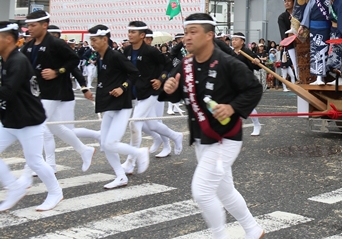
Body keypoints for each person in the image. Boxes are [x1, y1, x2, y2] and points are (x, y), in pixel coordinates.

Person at [161, 13, 265, 239]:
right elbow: (178, 93)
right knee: (225, 191)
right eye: (186, 33)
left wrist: (233, 107)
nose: (187, 38)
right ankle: (253, 230)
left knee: (202, 191)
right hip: (201, 136)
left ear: (209, 35)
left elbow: (254, 89)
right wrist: (170, 89)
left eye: (193, 32)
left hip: (224, 138)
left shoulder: (228, 63)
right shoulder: (186, 64)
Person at [20, 10, 95, 174]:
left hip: (53, 91)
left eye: (33, 25)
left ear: (44, 25)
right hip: (38, 91)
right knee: (56, 128)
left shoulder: (55, 43)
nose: (29, 29)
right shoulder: (29, 46)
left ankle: (31, 166)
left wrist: (57, 71)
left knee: (37, 126)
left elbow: (74, 60)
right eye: (28, 26)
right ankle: (84, 150)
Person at [0, 21, 63, 212]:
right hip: (11, 119)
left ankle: (55, 192)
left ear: (8, 39)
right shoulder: (6, 59)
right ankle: (14, 187)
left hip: (29, 120)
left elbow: (7, 92)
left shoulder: (17, 61)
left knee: (35, 161)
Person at [88, 25, 149, 189]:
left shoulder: (115, 56)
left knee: (110, 143)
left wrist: (123, 87)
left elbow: (134, 73)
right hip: (109, 104)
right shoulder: (100, 56)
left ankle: (139, 152)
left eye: (94, 40)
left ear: (105, 39)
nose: (92, 43)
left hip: (121, 105)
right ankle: (121, 176)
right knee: (105, 143)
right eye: (91, 40)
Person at [121, 21, 183, 173]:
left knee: (134, 124)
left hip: (151, 91)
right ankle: (176, 136)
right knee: (152, 125)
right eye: (129, 32)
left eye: (133, 32)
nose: (129, 35)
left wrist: (160, 79)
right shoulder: (127, 50)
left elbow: (168, 66)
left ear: (142, 35)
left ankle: (130, 162)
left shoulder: (151, 51)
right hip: (136, 92)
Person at [299, 0, 333, 85]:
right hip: (314, 28)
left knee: (323, 51)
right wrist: (302, 26)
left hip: (325, 28)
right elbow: (307, 11)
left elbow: (332, 12)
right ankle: (318, 77)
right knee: (315, 52)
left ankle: (321, 77)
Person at [231, 32, 263, 136]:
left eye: (236, 39)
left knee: (248, 105)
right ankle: (233, 128)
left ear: (242, 41)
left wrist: (257, 61)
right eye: (233, 39)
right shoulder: (230, 52)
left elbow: (258, 66)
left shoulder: (247, 52)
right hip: (232, 83)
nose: (233, 41)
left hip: (245, 83)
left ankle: (256, 124)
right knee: (232, 106)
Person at [277, 0, 299, 79]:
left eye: (289, 1)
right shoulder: (282, 17)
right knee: (295, 63)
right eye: (285, 1)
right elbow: (283, 32)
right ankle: (298, 79)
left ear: (294, 2)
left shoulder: (299, 14)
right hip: (290, 44)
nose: (286, 3)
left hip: (302, 42)